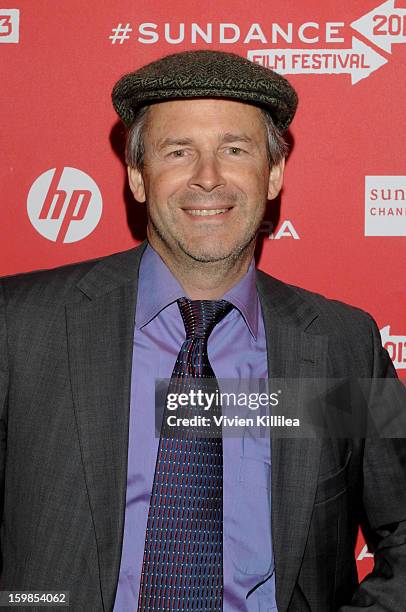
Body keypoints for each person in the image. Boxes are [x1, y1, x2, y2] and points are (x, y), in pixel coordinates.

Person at [0, 49, 405, 612]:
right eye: (178, 152)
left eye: (234, 150)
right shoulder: (19, 326)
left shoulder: (340, 345)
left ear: (274, 173)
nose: (207, 178)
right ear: (138, 177)